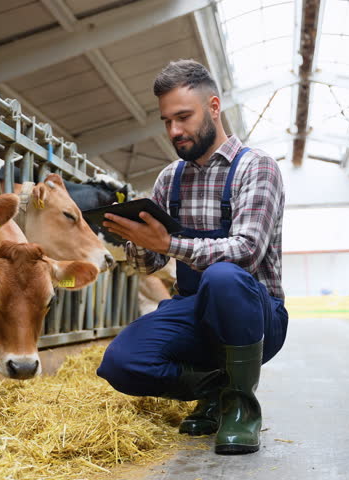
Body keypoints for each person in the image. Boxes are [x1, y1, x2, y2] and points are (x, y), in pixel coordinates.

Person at [97, 59, 288, 455]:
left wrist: (168, 245)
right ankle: (218, 389)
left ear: (214, 107)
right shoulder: (170, 178)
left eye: (184, 117)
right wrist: (131, 238)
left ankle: (241, 408)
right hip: (192, 309)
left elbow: (247, 251)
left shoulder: (257, 167)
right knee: (121, 363)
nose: (175, 131)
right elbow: (148, 265)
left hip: (256, 314)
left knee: (223, 277)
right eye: (167, 121)